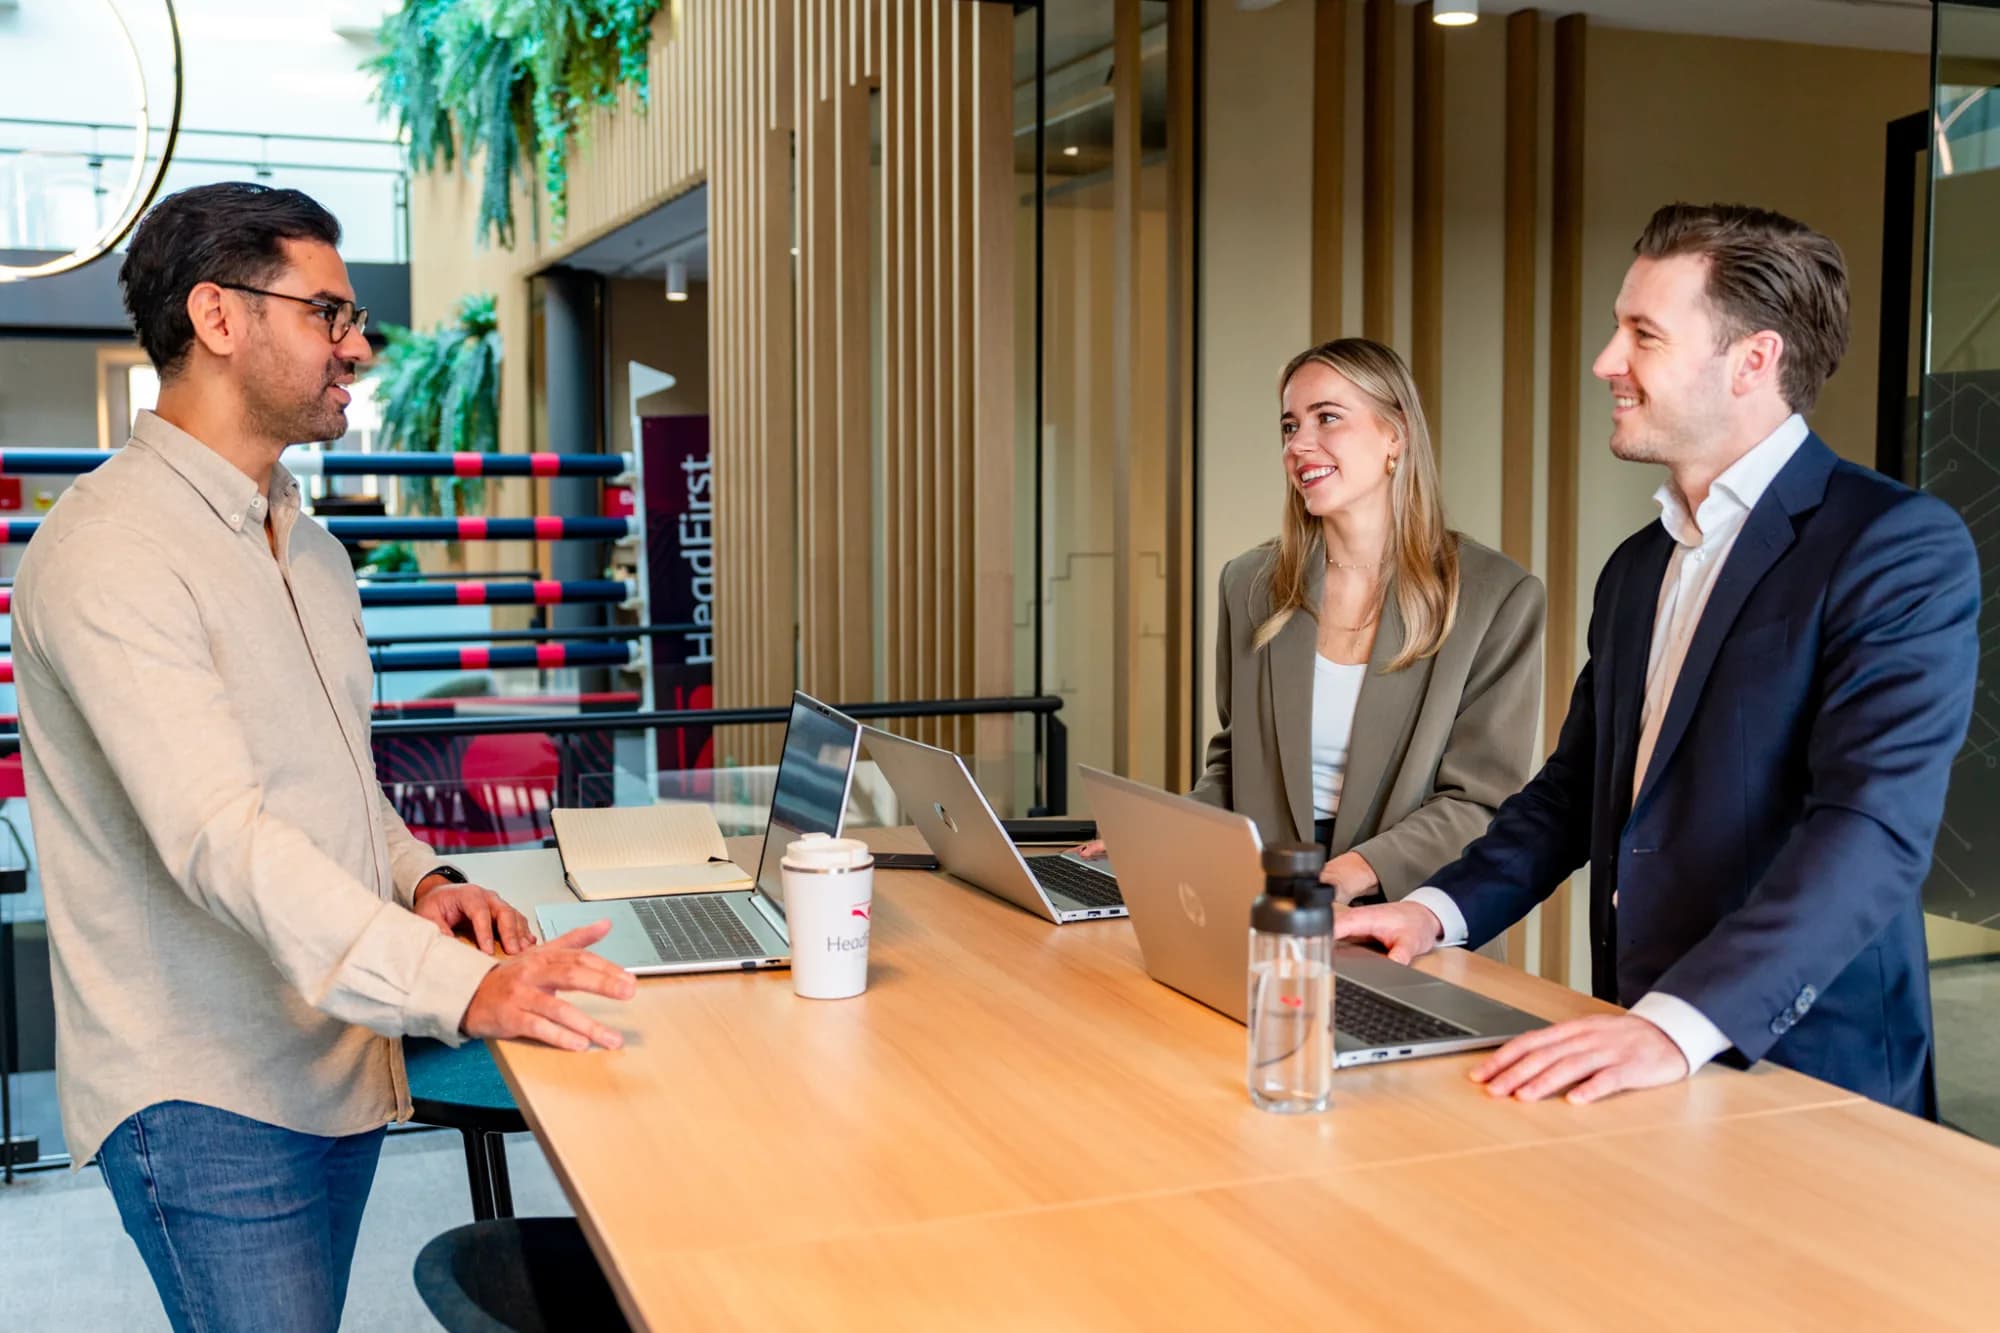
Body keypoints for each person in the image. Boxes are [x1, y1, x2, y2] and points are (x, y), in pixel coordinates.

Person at [11, 183, 636, 1333]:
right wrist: (461, 985)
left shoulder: (307, 547)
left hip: (331, 1050)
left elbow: (338, 778)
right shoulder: (111, 550)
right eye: (328, 313)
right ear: (218, 315)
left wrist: (425, 881)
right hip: (206, 1089)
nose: (357, 347)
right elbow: (221, 836)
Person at [1337, 203, 1978, 1118]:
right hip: (1637, 1049)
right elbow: (1572, 793)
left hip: (1810, 1075)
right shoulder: (1638, 565)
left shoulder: (1895, 544)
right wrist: (1435, 911)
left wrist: (1679, 1023)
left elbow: (1870, 830)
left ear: (1753, 360)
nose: (1608, 361)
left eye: (1643, 334)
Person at [1086, 338, 1545, 910]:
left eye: (1327, 418)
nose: (1299, 445)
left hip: (1412, 914)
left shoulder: (1495, 597)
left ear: (1395, 434)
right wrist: (1164, 833)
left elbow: (1479, 802)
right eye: (1289, 426)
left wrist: (1343, 876)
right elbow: (1234, 767)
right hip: (1265, 905)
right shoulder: (1249, 585)